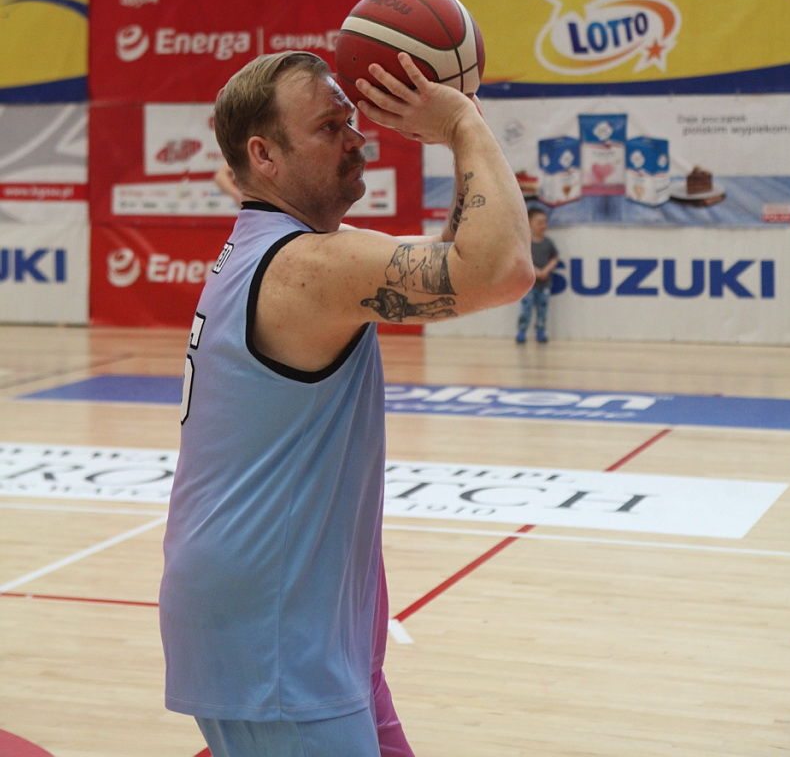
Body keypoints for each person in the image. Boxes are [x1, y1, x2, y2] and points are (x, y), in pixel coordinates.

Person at [159, 49, 534, 757]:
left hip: (312, 616)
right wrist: (461, 122)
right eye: (330, 127)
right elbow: (501, 270)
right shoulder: (305, 268)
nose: (358, 139)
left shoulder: (299, 250)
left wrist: (465, 129)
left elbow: (460, 251)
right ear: (264, 156)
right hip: (273, 635)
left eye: (351, 120)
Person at [515, 206, 559, 344]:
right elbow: (520, 260)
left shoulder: (548, 243)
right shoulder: (525, 243)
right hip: (527, 285)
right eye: (539, 222)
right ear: (529, 223)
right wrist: (534, 271)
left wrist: (545, 271)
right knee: (526, 309)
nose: (543, 225)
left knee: (542, 310)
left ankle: (540, 331)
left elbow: (555, 258)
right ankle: (522, 331)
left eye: (545, 222)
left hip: (544, 284)